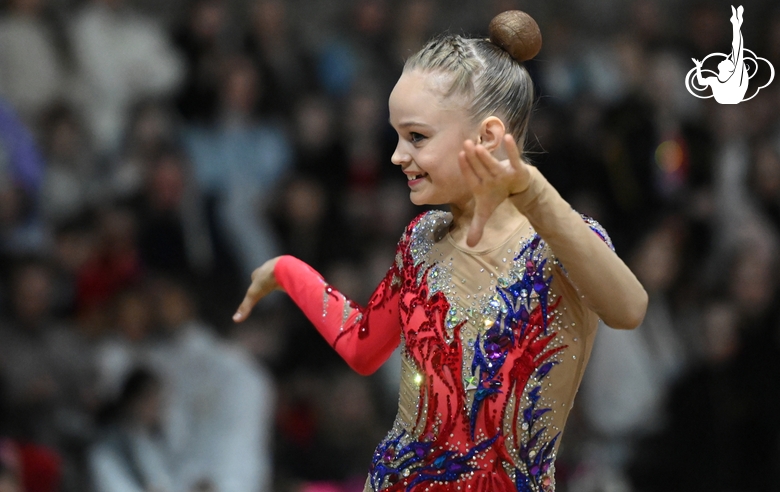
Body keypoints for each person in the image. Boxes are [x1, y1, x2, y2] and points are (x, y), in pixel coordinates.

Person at [234, 11, 648, 491]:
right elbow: (364, 347)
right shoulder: (421, 239)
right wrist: (288, 271)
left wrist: (534, 194)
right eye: (397, 135)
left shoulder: (561, 244)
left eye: (417, 137)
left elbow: (629, 307)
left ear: (488, 137)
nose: (396, 155)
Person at [692, 5, 748, 104]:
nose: (707, 36)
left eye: (712, 30)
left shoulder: (735, 58)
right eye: (703, 29)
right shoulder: (681, 58)